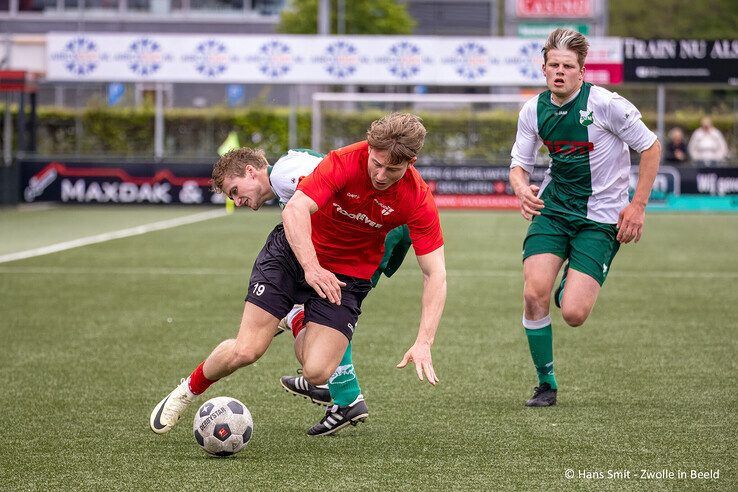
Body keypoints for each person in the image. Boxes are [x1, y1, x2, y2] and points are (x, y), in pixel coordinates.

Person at [150, 113, 446, 436]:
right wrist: (311, 268)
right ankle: (186, 391)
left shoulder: (417, 197)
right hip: (292, 256)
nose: (379, 174)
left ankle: (294, 316)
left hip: (347, 275)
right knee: (247, 350)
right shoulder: (345, 161)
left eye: (392, 169)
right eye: (376, 163)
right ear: (370, 148)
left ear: (411, 162)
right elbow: (295, 208)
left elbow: (435, 274)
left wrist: (424, 341)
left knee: (317, 371)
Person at [209, 146, 412, 435]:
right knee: (323, 297)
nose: (238, 201)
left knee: (332, 297)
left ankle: (343, 393)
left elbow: (338, 187)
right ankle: (332, 385)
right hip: (384, 228)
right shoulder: (286, 182)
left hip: (378, 229)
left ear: (251, 172)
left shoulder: (283, 174)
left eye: (235, 190)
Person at [509, 28, 661, 407]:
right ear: (543, 68)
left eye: (568, 66)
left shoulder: (608, 105)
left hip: (601, 218)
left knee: (574, 313)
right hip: (554, 210)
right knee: (533, 292)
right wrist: (521, 187)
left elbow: (651, 147)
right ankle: (546, 384)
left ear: (581, 71)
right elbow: (518, 165)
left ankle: (570, 285)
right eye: (554, 65)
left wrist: (638, 206)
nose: (560, 71)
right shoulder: (533, 109)